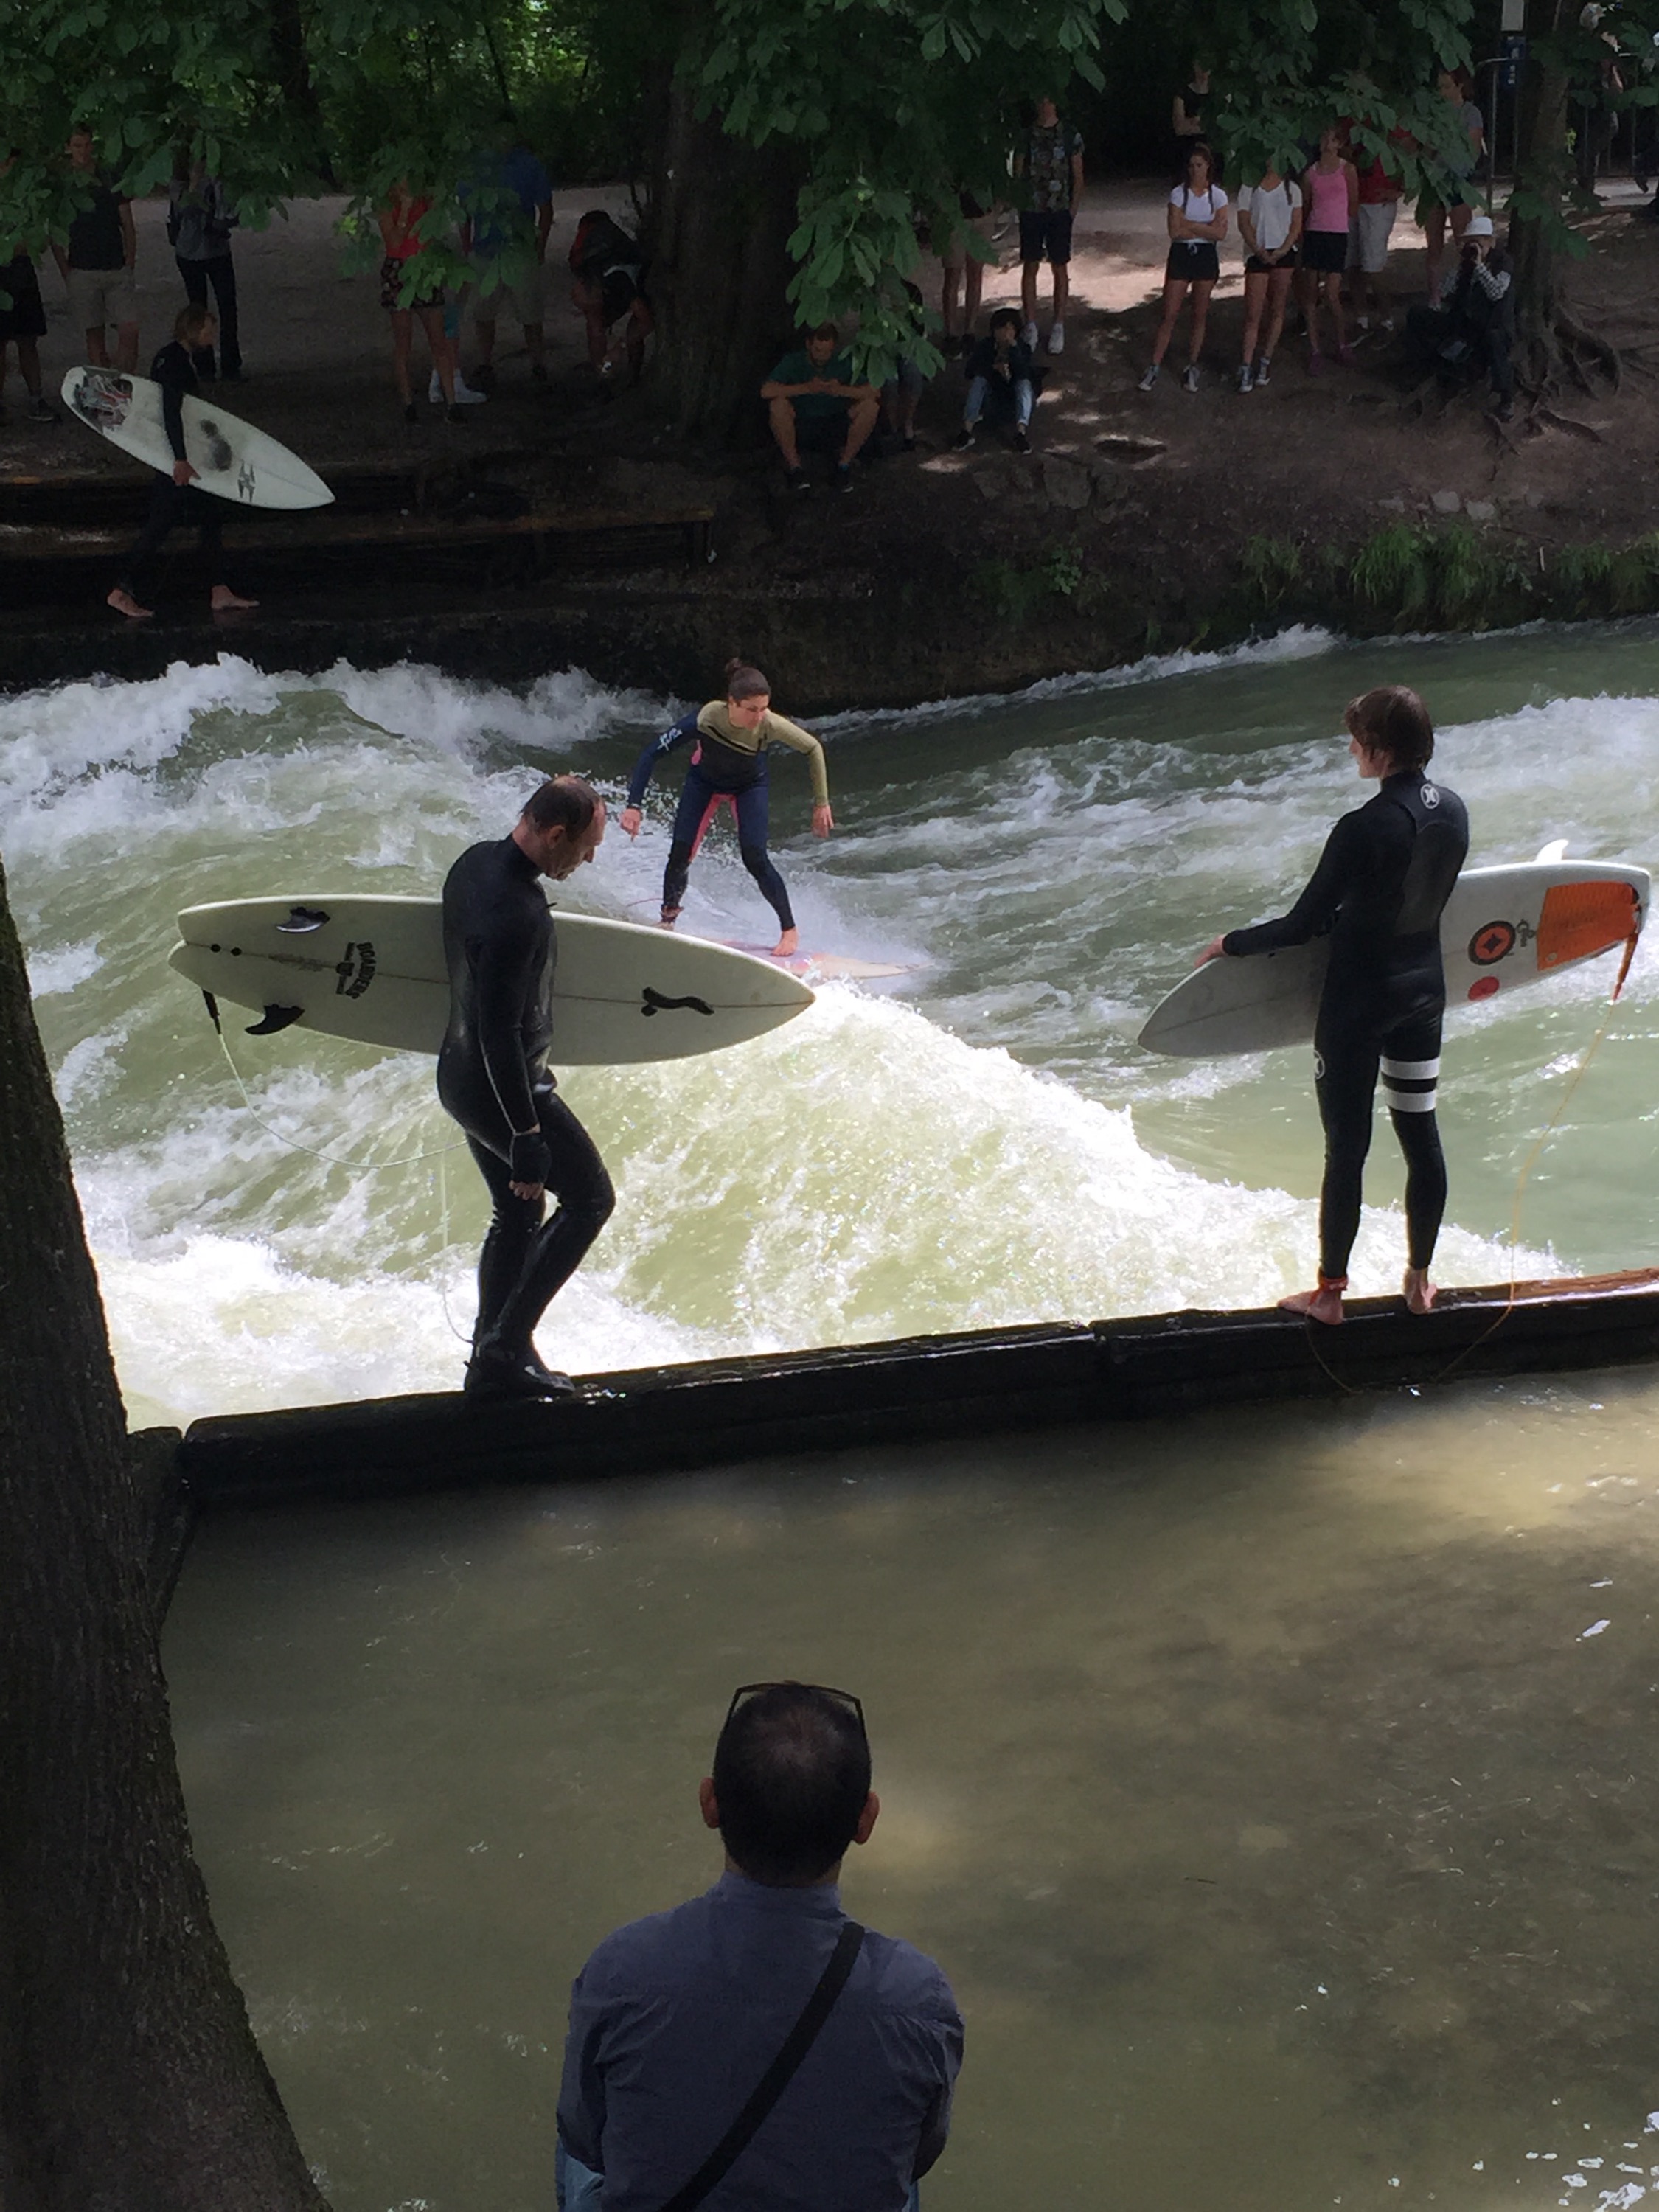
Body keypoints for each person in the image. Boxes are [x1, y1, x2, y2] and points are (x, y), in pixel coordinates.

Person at [556, 1682, 963, 2212]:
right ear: (866, 1820)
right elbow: (919, 2155)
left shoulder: (623, 1969)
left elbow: (585, 2134)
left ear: (710, 1804)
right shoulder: (917, 1997)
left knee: (584, 2147)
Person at [1195, 686, 1469, 1326]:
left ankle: (1329, 1296)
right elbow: (1412, 893)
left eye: (1356, 740)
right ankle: (1420, 1281)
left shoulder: (1361, 828)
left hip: (1359, 1005)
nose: (1350, 749)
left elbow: (1301, 925)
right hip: (1423, 996)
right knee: (1420, 1133)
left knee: (1347, 1149)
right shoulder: (1455, 812)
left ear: (1378, 750)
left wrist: (1230, 944)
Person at [437, 776, 614, 1401]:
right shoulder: (518, 914)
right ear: (556, 834)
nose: (588, 860)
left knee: (516, 1214)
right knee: (590, 1201)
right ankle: (507, 1346)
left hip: (459, 1077)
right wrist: (527, 1133)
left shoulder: (473, 865)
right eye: (586, 848)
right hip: (502, 1088)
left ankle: (488, 1362)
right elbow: (500, 1034)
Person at [621, 661, 832, 958]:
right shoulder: (706, 719)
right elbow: (651, 753)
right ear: (731, 703)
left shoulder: (769, 724)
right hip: (704, 783)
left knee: (755, 857)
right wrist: (634, 805)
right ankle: (667, 921)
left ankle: (789, 930)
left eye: (764, 709)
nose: (759, 717)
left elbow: (813, 748)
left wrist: (821, 803)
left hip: (749, 786)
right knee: (681, 852)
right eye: (751, 709)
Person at [105, 305, 260, 621]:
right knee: (160, 524)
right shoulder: (174, 362)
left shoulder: (173, 357)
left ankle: (219, 590)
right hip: (174, 459)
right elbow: (170, 411)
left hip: (184, 456)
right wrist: (179, 460)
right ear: (193, 329)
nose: (212, 336)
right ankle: (121, 590)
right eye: (208, 330)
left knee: (210, 516)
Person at [462, 120, 554, 386]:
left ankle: (538, 365)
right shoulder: (475, 167)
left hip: (520, 250)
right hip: (485, 252)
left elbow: (546, 209)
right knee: (483, 313)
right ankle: (485, 364)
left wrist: (539, 247)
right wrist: (468, 248)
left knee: (531, 314)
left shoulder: (529, 165)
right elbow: (464, 212)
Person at [1403, 213, 1515, 419]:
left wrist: (1480, 267)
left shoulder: (1503, 263)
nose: (1475, 246)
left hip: (1491, 326)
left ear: (1491, 241)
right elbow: (1444, 291)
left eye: (1479, 241)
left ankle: (1506, 399)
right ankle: (1418, 370)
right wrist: (1462, 264)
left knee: (1496, 342)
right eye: (1470, 241)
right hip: (1463, 322)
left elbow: (1496, 293)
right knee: (1417, 315)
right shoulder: (1466, 265)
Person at [1138, 143, 1228, 393]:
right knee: (1169, 313)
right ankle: (1155, 365)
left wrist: (1191, 225)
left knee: (1199, 314)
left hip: (1205, 256)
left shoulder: (1218, 196)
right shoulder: (1178, 194)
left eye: (1199, 165)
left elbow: (1220, 233)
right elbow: (1175, 231)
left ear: (1208, 167)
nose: (1195, 170)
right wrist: (1204, 228)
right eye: (1191, 166)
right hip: (1181, 254)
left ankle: (1192, 365)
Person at [52, 126, 138, 373]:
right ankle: (103, 383)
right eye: (77, 145)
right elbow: (55, 230)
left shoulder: (108, 176)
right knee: (94, 334)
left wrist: (130, 260)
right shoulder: (63, 183)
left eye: (87, 145)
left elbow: (127, 222)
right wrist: (65, 269)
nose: (83, 151)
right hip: (81, 268)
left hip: (115, 266)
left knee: (130, 329)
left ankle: (124, 378)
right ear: (68, 148)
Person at [378, 183, 465, 423]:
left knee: (439, 340)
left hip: (426, 268)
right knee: (403, 343)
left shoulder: (427, 198)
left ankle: (452, 404)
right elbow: (394, 243)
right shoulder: (385, 204)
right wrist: (405, 212)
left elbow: (436, 233)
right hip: (399, 271)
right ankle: (408, 404)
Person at [760, 323, 880, 493]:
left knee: (870, 407)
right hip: (802, 422)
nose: (822, 356)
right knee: (777, 406)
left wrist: (841, 391)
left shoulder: (842, 362)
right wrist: (806, 388)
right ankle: (795, 468)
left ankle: (844, 465)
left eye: (827, 351)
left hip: (835, 422)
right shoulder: (793, 361)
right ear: (808, 344)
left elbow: (874, 391)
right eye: (818, 350)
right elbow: (766, 391)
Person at [1015, 97, 1084, 356]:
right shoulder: (1026, 135)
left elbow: (1078, 176)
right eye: (1040, 100)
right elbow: (1018, 173)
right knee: (1030, 265)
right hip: (1032, 210)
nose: (1044, 105)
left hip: (1059, 211)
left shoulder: (1069, 135)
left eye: (1048, 100)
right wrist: (1020, 205)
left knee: (1060, 266)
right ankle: (1030, 324)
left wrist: (1072, 210)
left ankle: (1059, 325)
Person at [168, 153, 241, 380]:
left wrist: (217, 185)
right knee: (198, 309)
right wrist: (194, 184)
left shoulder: (218, 179)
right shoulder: (179, 181)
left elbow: (229, 215)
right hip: (190, 253)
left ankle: (231, 366)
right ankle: (204, 367)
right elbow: (183, 210)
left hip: (218, 250)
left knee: (228, 308)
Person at [0, 153, 58, 425]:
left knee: (28, 339)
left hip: (22, 272)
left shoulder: (27, 196)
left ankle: (36, 398)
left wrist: (12, 246)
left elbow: (40, 242)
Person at [1419, 68, 1485, 305]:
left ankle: (1463, 295)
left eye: (1447, 86)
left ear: (1460, 86)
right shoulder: (1434, 114)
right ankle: (1435, 298)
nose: (1442, 92)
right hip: (1434, 182)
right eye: (1440, 87)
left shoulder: (1471, 113)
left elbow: (1473, 152)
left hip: (1458, 182)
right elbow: (1426, 150)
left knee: (1463, 242)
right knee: (1433, 244)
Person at [1235, 164, 1302, 391]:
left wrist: (1284, 249)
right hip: (1258, 254)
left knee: (1277, 308)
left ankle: (1265, 360)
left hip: (1283, 254)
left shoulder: (1292, 189)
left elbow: (1296, 224)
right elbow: (1244, 222)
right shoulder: (1249, 187)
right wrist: (1257, 249)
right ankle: (1246, 364)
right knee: (1253, 313)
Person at [568, 209, 653, 380]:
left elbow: (647, 321)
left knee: (635, 330)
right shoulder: (590, 267)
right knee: (595, 326)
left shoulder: (619, 280)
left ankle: (633, 377)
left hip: (644, 284)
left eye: (585, 304)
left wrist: (620, 347)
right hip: (613, 283)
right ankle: (602, 373)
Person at [1298, 127, 1359, 372]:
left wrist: (1338, 221)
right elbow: (1305, 205)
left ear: (1339, 144)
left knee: (1332, 293)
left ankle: (1342, 343)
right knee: (1311, 293)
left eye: (1333, 139)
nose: (1327, 142)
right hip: (1315, 233)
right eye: (1325, 137)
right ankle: (1315, 350)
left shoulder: (1348, 170)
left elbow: (1353, 204)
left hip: (1337, 234)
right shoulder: (1310, 173)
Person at [1343, 122, 1408, 333]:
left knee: (1373, 264)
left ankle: (1387, 319)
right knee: (1351, 262)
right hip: (1350, 199)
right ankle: (1361, 318)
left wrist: (1401, 189)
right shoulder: (1349, 119)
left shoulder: (1390, 119)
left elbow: (1411, 151)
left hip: (1378, 201)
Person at [953, 307, 1038, 449]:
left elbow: (1026, 375)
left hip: (1014, 401)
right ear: (994, 330)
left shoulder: (1023, 348)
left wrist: (1013, 355)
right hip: (991, 401)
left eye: (1011, 328)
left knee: (1023, 384)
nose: (1006, 333)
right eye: (1003, 328)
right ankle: (967, 431)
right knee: (979, 381)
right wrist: (992, 369)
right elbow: (969, 372)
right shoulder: (984, 346)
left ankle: (1021, 433)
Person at [937, 189, 996, 354]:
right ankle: (951, 333)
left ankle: (970, 331)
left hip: (984, 216)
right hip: (956, 218)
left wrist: (996, 207)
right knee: (952, 276)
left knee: (975, 275)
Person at [1172, 63, 1217, 181]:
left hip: (1213, 143)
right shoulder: (1182, 94)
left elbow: (1221, 125)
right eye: (1200, 67)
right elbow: (1179, 128)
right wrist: (1205, 123)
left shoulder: (1217, 95)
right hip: (1188, 143)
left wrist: (1195, 122)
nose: (1203, 71)